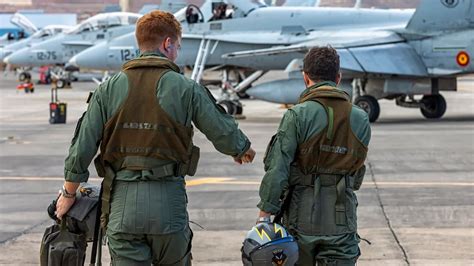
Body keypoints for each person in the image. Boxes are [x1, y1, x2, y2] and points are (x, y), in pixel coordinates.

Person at [55, 10, 255, 266]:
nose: (177, 52)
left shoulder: (107, 89)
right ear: (167, 44)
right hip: (168, 205)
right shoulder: (186, 88)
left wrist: (69, 193)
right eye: (178, 46)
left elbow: (82, 147)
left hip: (121, 206)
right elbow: (221, 129)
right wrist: (241, 149)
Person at [256, 46, 371, 265]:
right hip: (342, 217)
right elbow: (356, 174)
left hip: (301, 216)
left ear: (305, 77)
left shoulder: (296, 116)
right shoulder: (360, 118)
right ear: (338, 78)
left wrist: (265, 215)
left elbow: (278, 168)